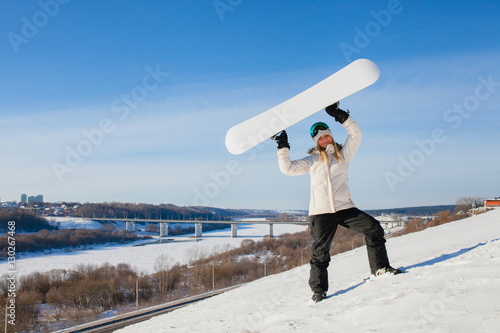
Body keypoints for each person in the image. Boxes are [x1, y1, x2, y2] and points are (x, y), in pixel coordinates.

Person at [271, 102, 401, 303]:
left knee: (374, 228)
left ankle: (380, 268)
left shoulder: (344, 154)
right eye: (320, 138)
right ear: (316, 141)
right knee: (321, 252)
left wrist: (339, 115)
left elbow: (356, 134)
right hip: (321, 212)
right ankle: (319, 290)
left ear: (331, 135)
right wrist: (282, 145)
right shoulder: (311, 161)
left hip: (345, 208)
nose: (325, 139)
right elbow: (287, 168)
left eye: (327, 135)